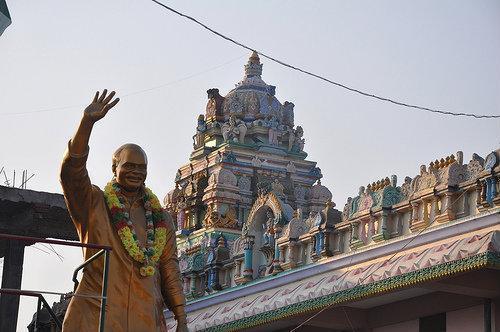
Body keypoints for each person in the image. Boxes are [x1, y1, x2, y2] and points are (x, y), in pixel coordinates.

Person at [60, 90, 188, 331]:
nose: (136, 172)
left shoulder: (161, 219)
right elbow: (72, 172)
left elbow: (169, 268)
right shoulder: (94, 202)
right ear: (114, 167)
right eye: (129, 166)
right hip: (97, 312)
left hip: (145, 316)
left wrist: (181, 316)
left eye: (142, 168)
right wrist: (86, 123)